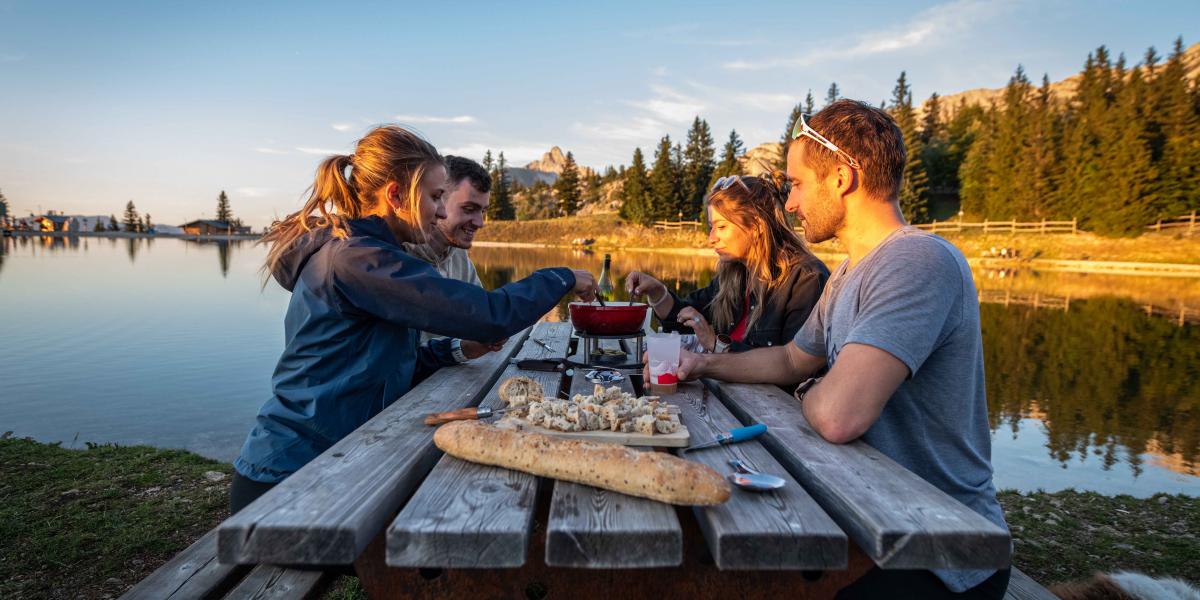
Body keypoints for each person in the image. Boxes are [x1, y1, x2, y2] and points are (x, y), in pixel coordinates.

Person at [670, 100, 1010, 599]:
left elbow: (837, 417)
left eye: (798, 184)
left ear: (842, 179)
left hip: (938, 547)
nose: (789, 204)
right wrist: (703, 364)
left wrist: (810, 387)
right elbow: (790, 358)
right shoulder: (850, 272)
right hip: (868, 506)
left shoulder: (917, 261)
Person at [230, 125, 596, 512]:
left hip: (328, 459)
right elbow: (492, 316)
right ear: (395, 195)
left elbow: (385, 366)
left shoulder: (365, 254)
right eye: (436, 196)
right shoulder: (360, 261)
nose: (441, 210)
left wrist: (456, 351)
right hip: (290, 478)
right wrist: (562, 276)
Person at [625, 174, 828, 353]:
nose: (711, 238)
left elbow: (791, 368)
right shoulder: (736, 274)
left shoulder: (806, 280)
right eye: (711, 227)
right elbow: (684, 318)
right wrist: (657, 291)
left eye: (721, 227)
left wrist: (715, 344)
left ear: (756, 225)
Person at [405, 155, 495, 353]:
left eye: (483, 211)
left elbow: (481, 318)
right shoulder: (399, 257)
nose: (480, 222)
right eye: (469, 209)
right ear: (438, 199)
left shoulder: (458, 255)